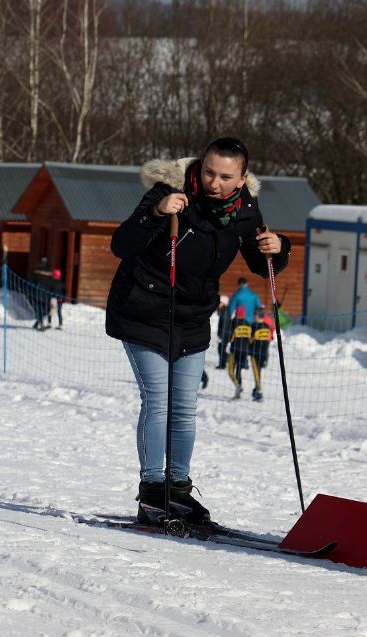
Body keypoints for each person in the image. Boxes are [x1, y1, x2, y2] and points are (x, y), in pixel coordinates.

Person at [105, 136, 289, 525]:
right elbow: (122, 245)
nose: (214, 183)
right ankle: (153, 492)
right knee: (159, 402)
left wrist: (279, 247)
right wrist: (156, 212)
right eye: (208, 172)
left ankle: (179, 490)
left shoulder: (245, 210)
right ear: (200, 165)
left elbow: (260, 263)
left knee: (185, 409)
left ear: (241, 179)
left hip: (192, 315)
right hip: (143, 307)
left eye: (225, 177)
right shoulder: (169, 190)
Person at [32, 257, 65, 331]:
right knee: (48, 310)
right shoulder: (52, 276)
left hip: (43, 295)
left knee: (43, 310)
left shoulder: (37, 272)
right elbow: (61, 289)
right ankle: (42, 323)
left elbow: (33, 282)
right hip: (51, 296)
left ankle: (42, 323)